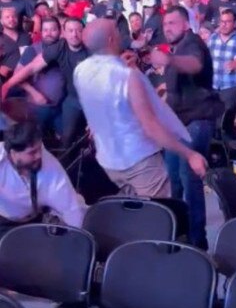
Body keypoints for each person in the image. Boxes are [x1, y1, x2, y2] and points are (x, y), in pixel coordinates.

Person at [74, 18, 206, 198]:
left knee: (134, 214)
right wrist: (190, 154)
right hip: (140, 161)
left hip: (108, 161)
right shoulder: (126, 77)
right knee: (159, 216)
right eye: (117, 30)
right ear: (112, 39)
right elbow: (151, 127)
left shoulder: (81, 70)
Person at [150, 6, 219, 250]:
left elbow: (194, 65)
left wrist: (168, 59)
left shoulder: (193, 43)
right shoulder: (177, 49)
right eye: (165, 24)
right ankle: (177, 233)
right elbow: (174, 91)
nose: (167, 27)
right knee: (173, 182)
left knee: (189, 181)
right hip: (177, 125)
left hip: (196, 122)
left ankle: (197, 242)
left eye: (173, 22)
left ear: (186, 24)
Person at [2, 18, 89, 147]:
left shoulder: (72, 47)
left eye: (53, 29)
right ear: (64, 33)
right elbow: (29, 69)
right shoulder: (35, 49)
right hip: (40, 107)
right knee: (35, 139)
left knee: (70, 139)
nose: (49, 33)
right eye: (45, 30)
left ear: (60, 32)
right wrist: (6, 86)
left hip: (64, 104)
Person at [0, 121, 87, 236]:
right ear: (13, 153)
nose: (39, 156)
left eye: (39, 149)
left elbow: (70, 208)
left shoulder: (51, 170)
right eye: (32, 152)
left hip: (35, 220)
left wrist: (81, 236)